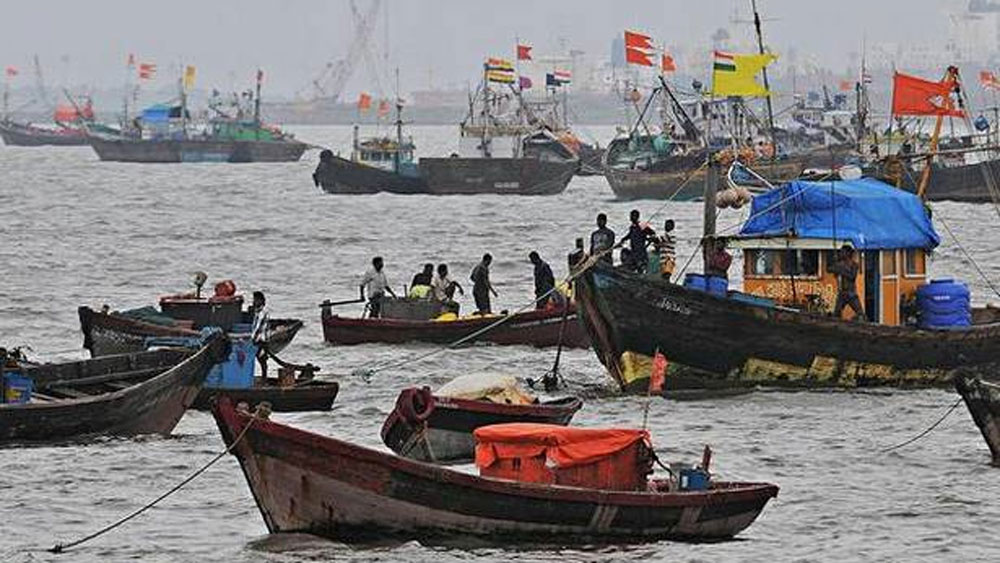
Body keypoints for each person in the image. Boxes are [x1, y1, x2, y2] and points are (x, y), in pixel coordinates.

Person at [829, 244, 864, 320]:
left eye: (842, 252)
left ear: (848, 253)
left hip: (851, 292)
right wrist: (835, 264)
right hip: (842, 293)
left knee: (860, 313)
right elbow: (830, 269)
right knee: (836, 314)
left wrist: (841, 270)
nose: (841, 253)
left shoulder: (854, 265)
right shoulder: (839, 264)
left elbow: (852, 277)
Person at [249, 291, 271, 379]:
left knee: (261, 359)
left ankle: (264, 377)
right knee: (260, 359)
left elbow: (257, 328)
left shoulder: (262, 313)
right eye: (254, 299)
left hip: (260, 340)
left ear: (261, 301)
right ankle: (262, 377)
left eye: (256, 300)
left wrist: (251, 339)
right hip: (258, 339)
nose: (254, 301)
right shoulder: (257, 312)